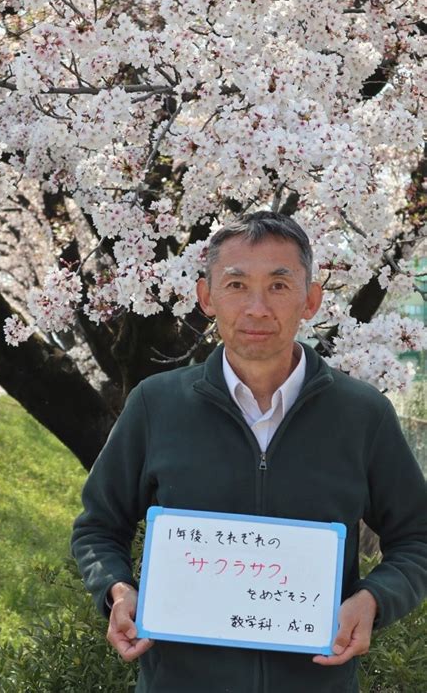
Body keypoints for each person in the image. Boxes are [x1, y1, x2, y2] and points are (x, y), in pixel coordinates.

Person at [71, 211, 427, 693]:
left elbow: (417, 538)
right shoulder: (156, 405)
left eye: (279, 286)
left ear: (312, 300)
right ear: (206, 297)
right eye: (236, 285)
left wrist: (373, 599)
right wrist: (117, 588)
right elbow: (98, 526)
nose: (257, 308)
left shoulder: (363, 414)